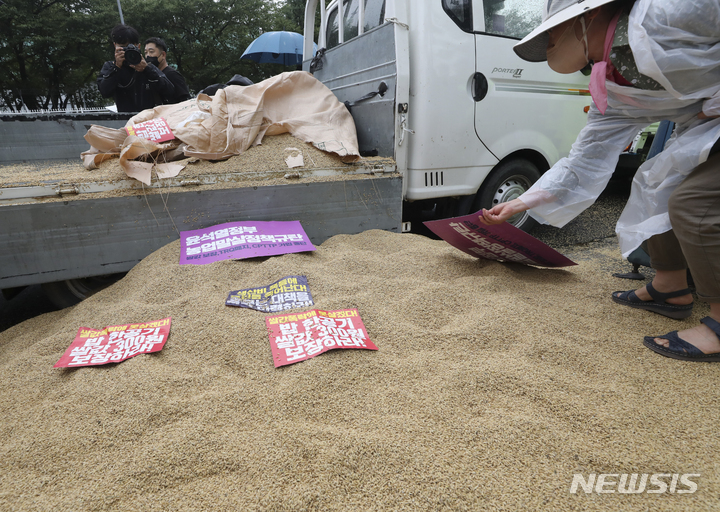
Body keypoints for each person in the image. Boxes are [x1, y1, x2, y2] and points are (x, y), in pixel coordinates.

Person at [479, 0, 720, 362]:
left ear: (588, 15)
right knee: (655, 185)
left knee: (694, 205)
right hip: (704, 128)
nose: (548, 46)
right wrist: (519, 203)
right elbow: (584, 160)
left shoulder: (665, 11)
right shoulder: (613, 83)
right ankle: (670, 288)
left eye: (552, 33)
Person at [97, 25, 175, 113]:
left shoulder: (148, 66)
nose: (126, 51)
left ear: (138, 46)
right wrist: (116, 68)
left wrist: (147, 70)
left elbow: (170, 91)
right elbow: (104, 92)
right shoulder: (110, 67)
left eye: (130, 47)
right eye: (123, 47)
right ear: (115, 45)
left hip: (149, 120)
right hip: (125, 121)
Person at [144, 37, 192, 104]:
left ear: (163, 55)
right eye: (146, 53)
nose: (148, 56)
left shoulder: (172, 75)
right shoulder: (149, 76)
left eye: (151, 52)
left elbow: (186, 102)